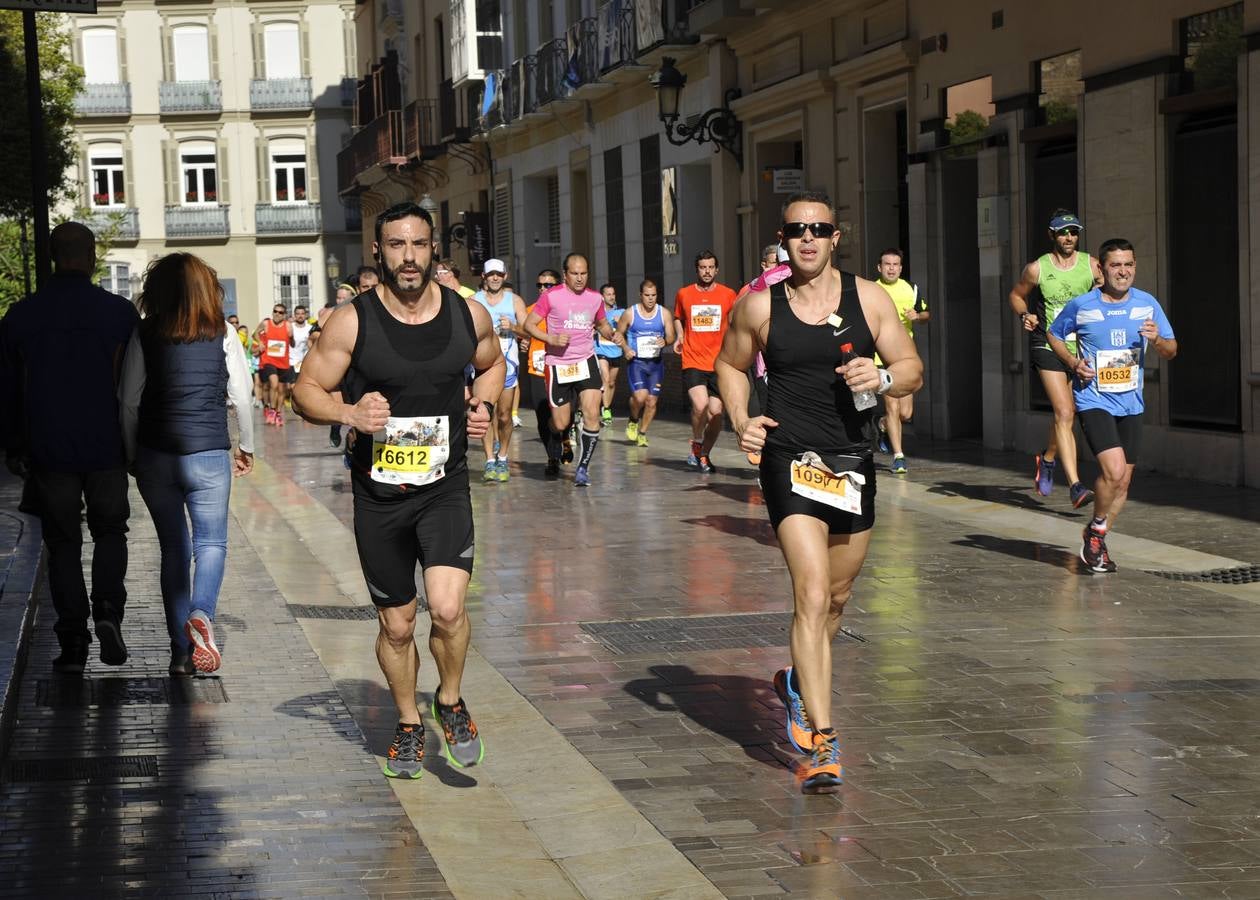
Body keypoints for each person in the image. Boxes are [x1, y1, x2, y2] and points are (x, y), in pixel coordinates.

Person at [715, 190, 923, 794]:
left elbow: (912, 367)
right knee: (809, 593)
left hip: (851, 463)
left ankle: (796, 683)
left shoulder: (870, 298)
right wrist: (741, 419)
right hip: (789, 461)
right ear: (783, 239)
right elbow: (730, 365)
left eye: (819, 229)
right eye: (796, 230)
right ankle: (822, 742)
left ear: (837, 237)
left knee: (837, 597)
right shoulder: (759, 306)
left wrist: (882, 376)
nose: (807, 238)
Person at [292, 201, 505, 779]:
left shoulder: (467, 315)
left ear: (434, 248)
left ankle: (452, 701)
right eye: (395, 245)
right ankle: (409, 722)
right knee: (397, 625)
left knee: (448, 607)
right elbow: (305, 389)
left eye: (417, 244)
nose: (408, 257)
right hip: (379, 496)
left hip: (444, 487)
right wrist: (348, 412)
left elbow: (493, 363)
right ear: (379, 251)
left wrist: (480, 402)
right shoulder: (352, 321)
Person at [0, 222, 139, 673]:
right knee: (111, 532)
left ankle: (74, 641)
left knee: (61, 543)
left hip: (49, 447)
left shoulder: (21, 316)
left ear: (52, 255)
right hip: (106, 445)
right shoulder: (119, 314)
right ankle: (107, 610)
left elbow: (7, 390)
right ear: (93, 256)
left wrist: (15, 444)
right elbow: (136, 386)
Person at [118, 254, 255, 675]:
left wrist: (130, 452)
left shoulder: (144, 332)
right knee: (211, 543)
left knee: (173, 548)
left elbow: (128, 400)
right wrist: (246, 445)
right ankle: (202, 613)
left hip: (157, 454)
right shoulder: (223, 332)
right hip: (210, 453)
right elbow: (243, 395)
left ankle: (180, 651)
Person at [1048, 239, 1176, 574]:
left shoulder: (1147, 304)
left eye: (1129, 265)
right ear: (1102, 270)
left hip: (1131, 403)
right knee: (1114, 471)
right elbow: (1054, 335)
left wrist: (1158, 340)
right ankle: (1097, 532)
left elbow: (1172, 349)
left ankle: (1096, 533)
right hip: (1094, 398)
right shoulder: (1083, 305)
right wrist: (1073, 363)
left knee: (1123, 483)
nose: (1123, 272)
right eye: (1116, 265)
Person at [1009, 210, 1102, 507]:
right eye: (1063, 233)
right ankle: (1075, 486)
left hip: (1082, 349)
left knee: (1069, 413)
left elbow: (1105, 294)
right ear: (1052, 235)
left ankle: (1048, 458)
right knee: (1064, 413)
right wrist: (1025, 315)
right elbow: (1016, 295)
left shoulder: (1091, 265)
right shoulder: (1037, 268)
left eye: (1073, 232)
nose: (1069, 238)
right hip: (1047, 344)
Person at [523, 253, 628, 486]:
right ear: (565, 275)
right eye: (575, 273)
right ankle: (558, 435)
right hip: (558, 365)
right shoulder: (551, 296)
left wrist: (612, 334)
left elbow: (601, 324)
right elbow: (528, 325)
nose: (580, 278)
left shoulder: (594, 298)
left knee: (592, 413)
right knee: (561, 423)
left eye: (584, 273)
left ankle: (582, 468)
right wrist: (550, 337)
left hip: (585, 361)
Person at [674, 251, 738, 473]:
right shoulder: (684, 294)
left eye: (711, 267)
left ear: (717, 270)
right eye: (703, 267)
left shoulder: (728, 294)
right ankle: (696, 440)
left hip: (719, 363)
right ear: (697, 269)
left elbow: (735, 323)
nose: (707, 271)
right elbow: (678, 318)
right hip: (693, 359)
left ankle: (704, 454)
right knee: (701, 405)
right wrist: (680, 336)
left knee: (717, 414)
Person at [872, 248, 928, 475]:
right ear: (880, 267)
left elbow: (925, 313)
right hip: (880, 356)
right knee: (892, 405)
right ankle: (899, 456)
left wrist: (917, 316)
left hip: (904, 356)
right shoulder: (873, 290)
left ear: (901, 268)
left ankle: (882, 424)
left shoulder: (910, 289)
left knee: (906, 413)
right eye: (887, 264)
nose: (891, 268)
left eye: (896, 264)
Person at [472, 258, 528, 483]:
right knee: (484, 413)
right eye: (490, 274)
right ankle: (489, 460)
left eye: (499, 274)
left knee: (504, 416)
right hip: (482, 366)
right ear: (484, 277)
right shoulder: (474, 301)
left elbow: (528, 330)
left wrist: (513, 327)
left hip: (508, 364)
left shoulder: (514, 300)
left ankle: (503, 456)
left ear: (505, 276)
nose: (495, 278)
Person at [616, 279, 675, 447]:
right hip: (637, 363)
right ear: (640, 295)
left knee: (651, 401)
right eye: (647, 295)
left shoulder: (664, 313)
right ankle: (633, 419)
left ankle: (642, 433)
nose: (651, 299)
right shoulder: (630, 313)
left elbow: (671, 336)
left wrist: (666, 341)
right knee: (640, 397)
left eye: (654, 295)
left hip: (656, 364)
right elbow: (618, 335)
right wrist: (626, 349)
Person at [521, 269, 561, 452]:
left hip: (561, 368)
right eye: (540, 285)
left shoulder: (564, 310)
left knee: (562, 415)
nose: (543, 288)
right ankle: (552, 456)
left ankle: (565, 437)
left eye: (548, 285)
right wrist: (524, 342)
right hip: (537, 368)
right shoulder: (530, 311)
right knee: (542, 415)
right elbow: (524, 334)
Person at [254, 303, 294, 426]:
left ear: (284, 315)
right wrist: (260, 342)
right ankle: (271, 410)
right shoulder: (266, 323)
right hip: (269, 360)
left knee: (282, 391)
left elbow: (292, 343)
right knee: (274, 384)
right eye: (275, 311)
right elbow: (255, 333)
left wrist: (291, 338)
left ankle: (278, 413)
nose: (277, 314)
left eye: (280, 312)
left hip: (283, 362)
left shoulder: (288, 326)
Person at [594, 283, 624, 424]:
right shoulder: (597, 313)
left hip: (616, 351)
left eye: (613, 294)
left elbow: (628, 331)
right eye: (608, 294)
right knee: (605, 378)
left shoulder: (622, 313)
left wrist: (622, 324)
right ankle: (605, 410)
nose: (611, 297)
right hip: (600, 350)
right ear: (602, 296)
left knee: (611, 383)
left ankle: (607, 406)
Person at [288, 304, 313, 403]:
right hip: (292, 361)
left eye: (302, 313)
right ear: (294, 315)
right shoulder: (290, 327)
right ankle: (297, 402)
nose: (300, 316)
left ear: (306, 315)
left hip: (306, 361)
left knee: (304, 385)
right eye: (298, 314)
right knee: (292, 386)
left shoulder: (310, 328)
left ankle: (302, 404)